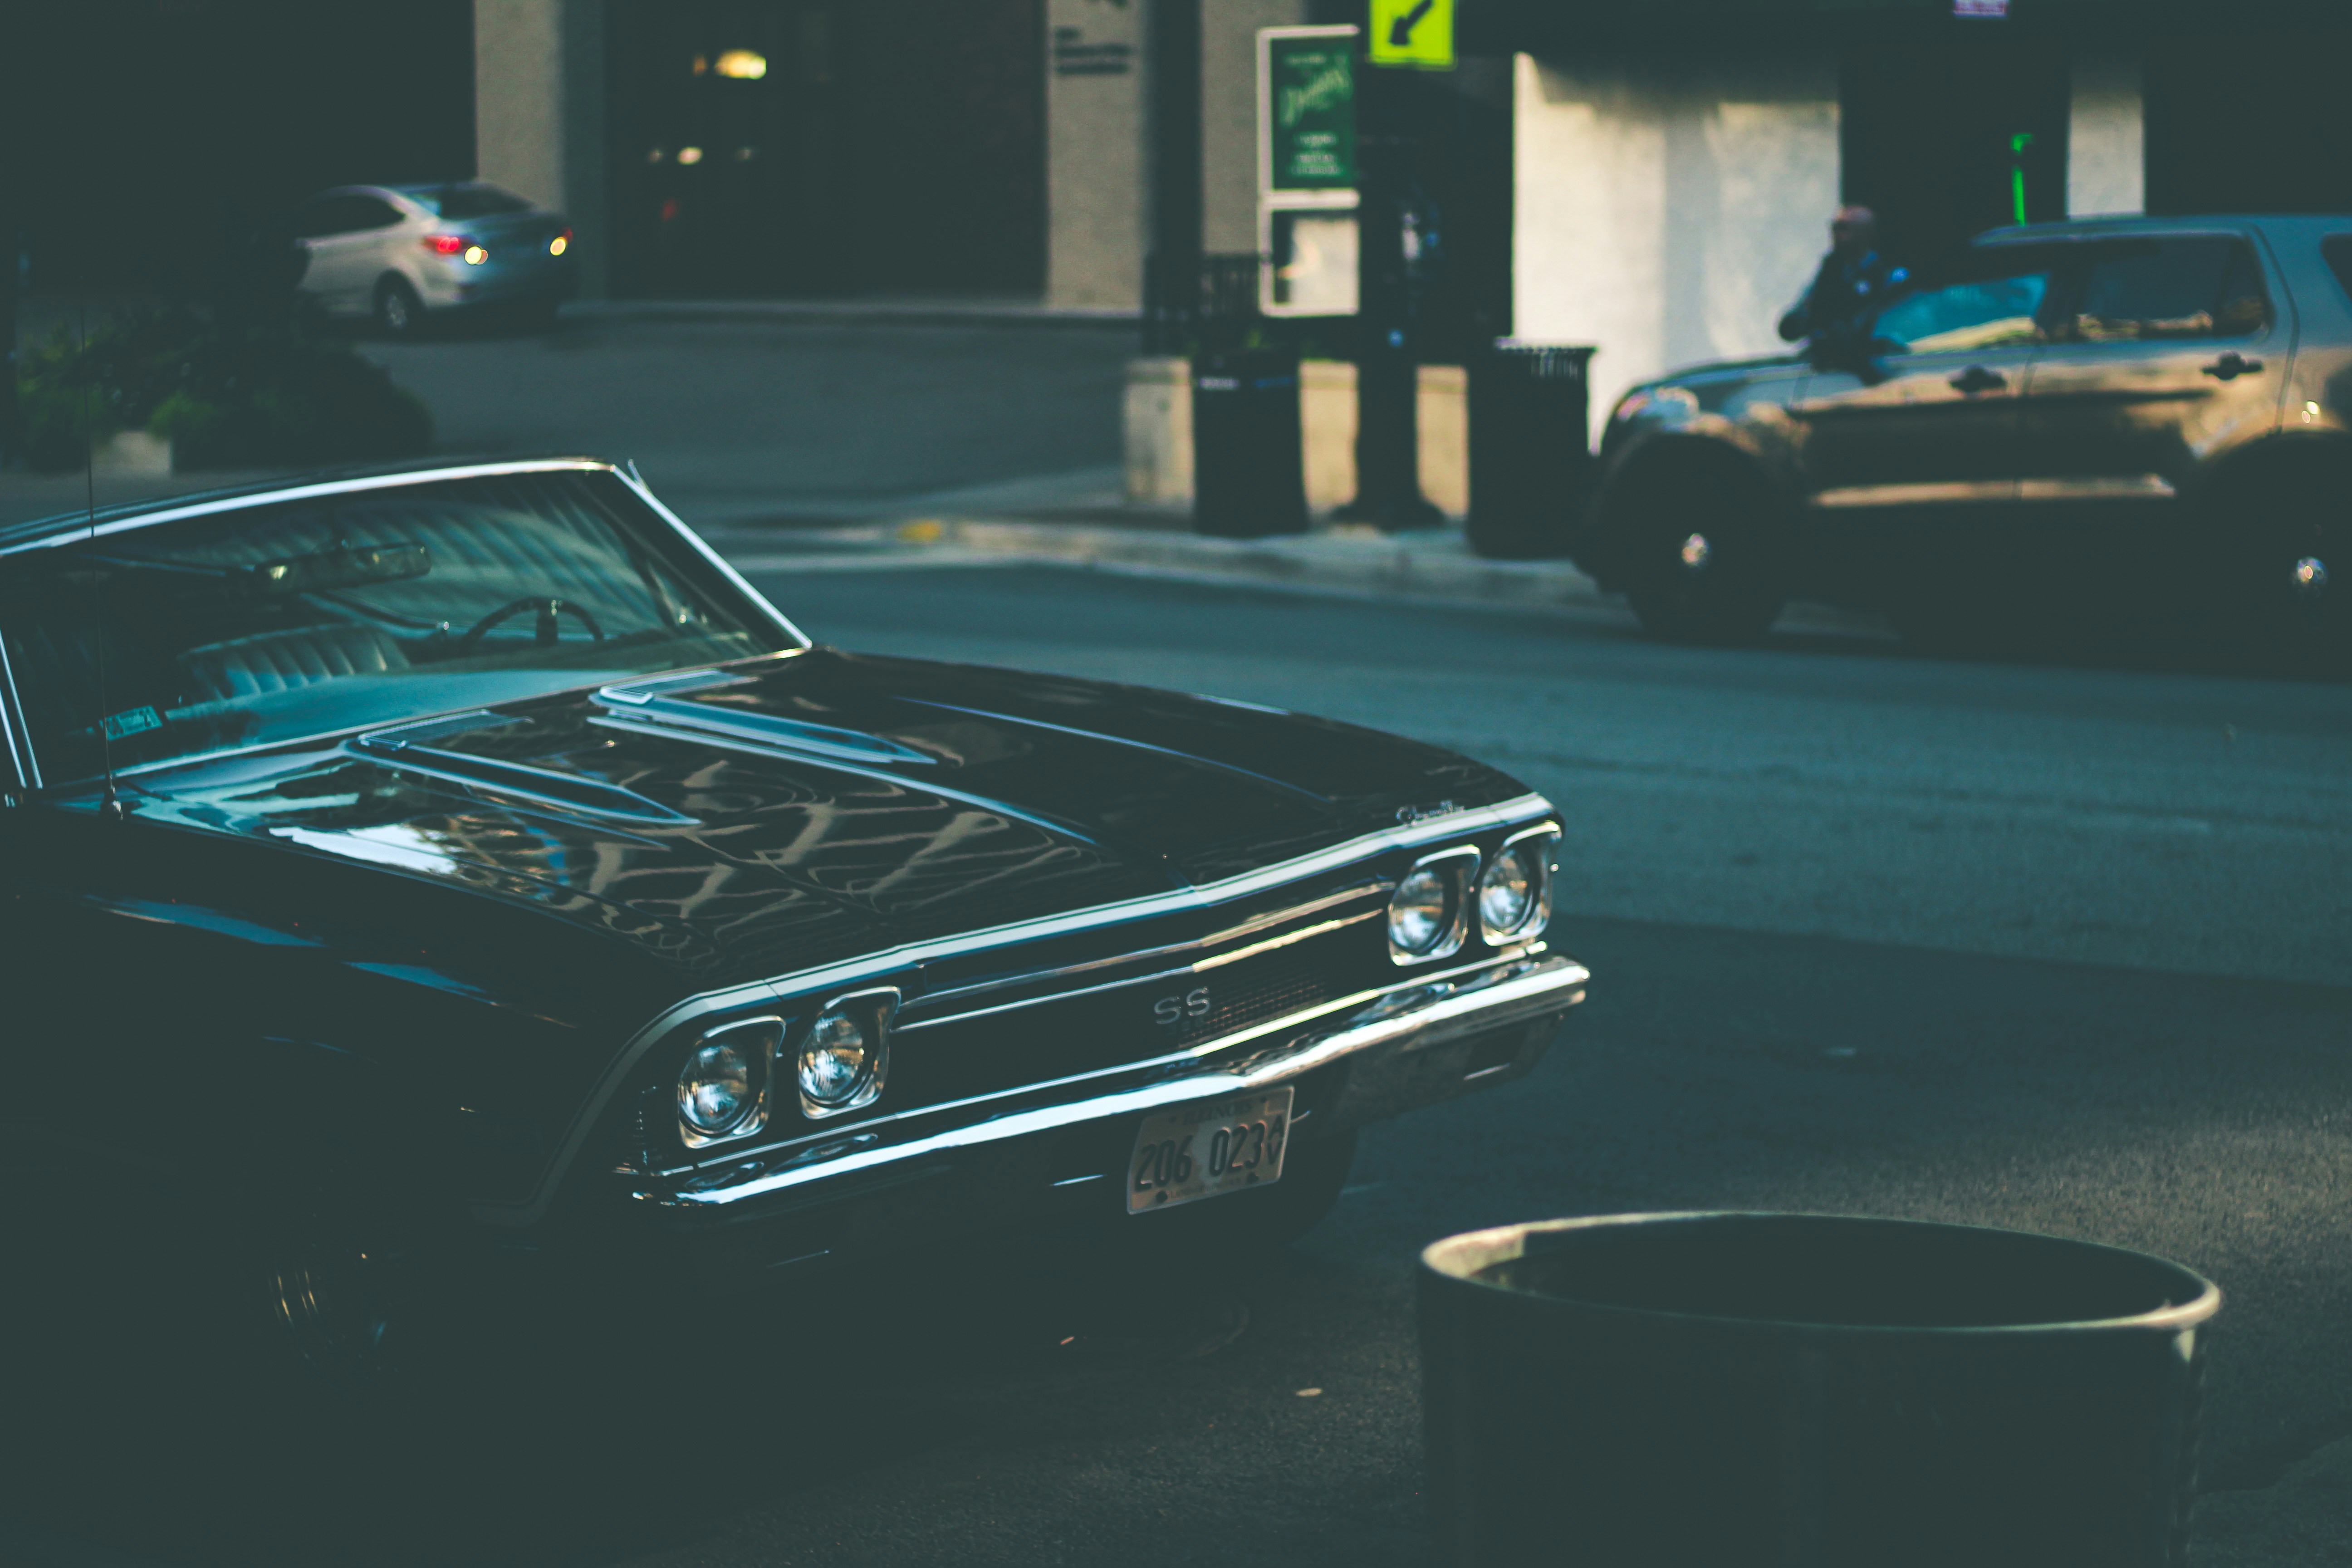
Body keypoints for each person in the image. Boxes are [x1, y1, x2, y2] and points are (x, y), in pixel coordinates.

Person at [1778, 207, 1909, 345]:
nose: (1835, 234)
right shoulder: (1830, 270)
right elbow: (1797, 321)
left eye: (1843, 228)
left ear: (1865, 234)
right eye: (1834, 228)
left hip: (1870, 356)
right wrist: (1807, 320)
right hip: (1830, 358)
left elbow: (1886, 322)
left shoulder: (1885, 274)